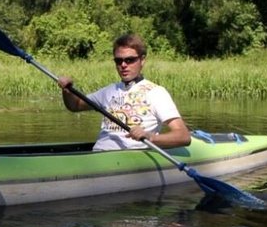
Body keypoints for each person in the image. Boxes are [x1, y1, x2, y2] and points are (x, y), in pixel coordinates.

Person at [57, 34, 191, 151]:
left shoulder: (156, 93)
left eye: (130, 60)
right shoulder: (109, 91)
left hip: (131, 157)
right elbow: (75, 106)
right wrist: (67, 90)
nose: (123, 65)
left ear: (142, 60)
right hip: (99, 154)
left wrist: (150, 137)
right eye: (118, 60)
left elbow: (183, 136)